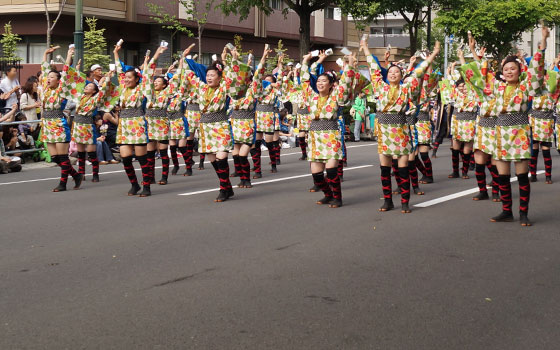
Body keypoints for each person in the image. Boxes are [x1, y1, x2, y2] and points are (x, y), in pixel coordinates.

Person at [464, 26, 548, 226]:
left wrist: (542, 43)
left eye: (513, 68)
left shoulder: (525, 86)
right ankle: (506, 211)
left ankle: (524, 213)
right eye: (506, 69)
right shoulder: (498, 87)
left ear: (519, 71)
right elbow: (484, 74)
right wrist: (474, 51)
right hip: (500, 133)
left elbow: (537, 70)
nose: (509, 71)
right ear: (502, 73)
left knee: (521, 176)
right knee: (502, 176)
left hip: (519, 132)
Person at [362, 38, 440, 213]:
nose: (393, 74)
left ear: (402, 75)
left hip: (401, 131)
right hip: (384, 132)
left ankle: (405, 201)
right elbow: (373, 68)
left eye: (397, 71)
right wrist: (365, 48)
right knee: (385, 169)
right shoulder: (380, 86)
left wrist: (433, 55)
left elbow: (419, 72)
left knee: (403, 168)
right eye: (391, 71)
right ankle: (388, 201)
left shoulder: (407, 87)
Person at [181, 44, 246, 202]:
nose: (209, 77)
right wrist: (184, 58)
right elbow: (188, 75)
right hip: (205, 127)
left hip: (221, 125)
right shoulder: (201, 88)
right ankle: (227, 186)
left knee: (221, 157)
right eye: (208, 75)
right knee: (212, 159)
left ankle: (223, 189)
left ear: (219, 76)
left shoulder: (224, 87)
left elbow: (231, 75)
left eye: (212, 75)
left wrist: (234, 59)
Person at [300, 50, 357, 208]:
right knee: (317, 175)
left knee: (331, 171)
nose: (320, 83)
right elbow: (304, 81)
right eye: (318, 81)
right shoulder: (311, 96)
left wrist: (350, 64)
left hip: (331, 135)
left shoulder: (336, 95)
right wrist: (306, 61)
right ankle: (328, 194)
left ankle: (337, 198)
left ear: (331, 84)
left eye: (324, 81)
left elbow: (345, 82)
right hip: (314, 137)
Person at [40, 46, 84, 192]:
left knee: (63, 157)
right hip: (47, 124)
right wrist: (45, 54)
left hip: (58, 124)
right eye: (48, 77)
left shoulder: (60, 90)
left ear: (59, 81)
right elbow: (45, 70)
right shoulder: (46, 90)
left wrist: (69, 55)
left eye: (53, 77)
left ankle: (63, 183)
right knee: (55, 158)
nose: (49, 79)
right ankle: (76, 175)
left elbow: (65, 73)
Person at [67, 47, 113, 183]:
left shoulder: (95, 98)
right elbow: (75, 83)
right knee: (81, 153)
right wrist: (76, 69)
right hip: (78, 125)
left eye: (89, 87)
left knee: (92, 152)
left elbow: (104, 89)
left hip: (88, 125)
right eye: (86, 87)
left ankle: (95, 173)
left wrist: (109, 76)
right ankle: (81, 174)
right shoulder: (79, 97)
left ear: (94, 92)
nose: (86, 88)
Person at [112, 43, 152, 197]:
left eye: (130, 78)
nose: (126, 79)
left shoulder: (141, 89)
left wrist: (147, 63)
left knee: (142, 159)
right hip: (124, 125)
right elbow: (119, 70)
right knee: (126, 158)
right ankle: (134, 184)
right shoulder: (123, 87)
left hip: (137, 123)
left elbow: (147, 77)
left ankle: (147, 186)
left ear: (137, 79)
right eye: (125, 78)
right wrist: (116, 53)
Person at [228, 45, 268, 188]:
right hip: (235, 124)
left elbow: (258, 75)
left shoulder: (253, 89)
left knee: (244, 155)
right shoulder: (234, 91)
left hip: (247, 124)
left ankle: (247, 179)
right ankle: (242, 178)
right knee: (236, 155)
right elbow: (232, 73)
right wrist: (234, 58)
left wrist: (263, 58)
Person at [143, 44, 183, 186]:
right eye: (155, 81)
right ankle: (150, 176)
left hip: (161, 122)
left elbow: (177, 78)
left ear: (165, 85)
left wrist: (182, 62)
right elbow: (146, 75)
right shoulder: (149, 93)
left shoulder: (167, 92)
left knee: (163, 151)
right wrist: (155, 56)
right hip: (149, 122)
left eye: (158, 81)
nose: (155, 83)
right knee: (149, 152)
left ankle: (164, 176)